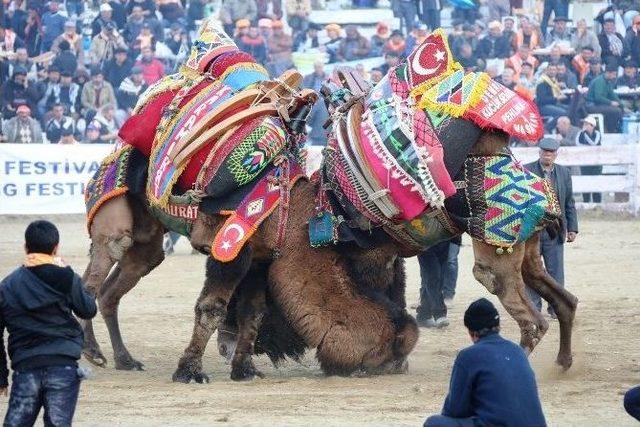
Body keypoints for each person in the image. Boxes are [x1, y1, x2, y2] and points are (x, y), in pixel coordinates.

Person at [0, 220, 96, 426]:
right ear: (56, 248)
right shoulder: (66, 277)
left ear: (26, 248)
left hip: (26, 366)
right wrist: (74, 279)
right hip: (63, 365)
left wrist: (1, 377)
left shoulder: (8, 285)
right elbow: (88, 310)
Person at [423, 298, 547, 427]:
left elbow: (455, 410)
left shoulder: (468, 356)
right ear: (498, 326)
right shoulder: (518, 351)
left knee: (434, 423)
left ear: (471, 332)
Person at [525, 138, 578, 317]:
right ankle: (533, 308)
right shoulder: (526, 171)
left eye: (551, 152)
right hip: (532, 231)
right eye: (544, 151)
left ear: (556, 154)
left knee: (556, 271)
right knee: (532, 271)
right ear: (539, 152)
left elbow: (569, 202)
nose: (547, 155)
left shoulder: (564, 173)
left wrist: (573, 228)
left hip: (555, 230)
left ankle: (556, 308)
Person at [416, 241, 451, 328]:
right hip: (425, 240)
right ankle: (439, 313)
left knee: (436, 278)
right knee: (432, 277)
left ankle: (423, 314)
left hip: (444, 239)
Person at [586, 63, 624, 132]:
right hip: (592, 106)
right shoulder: (599, 81)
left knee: (620, 109)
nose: (615, 76)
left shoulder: (608, 82)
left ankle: (614, 129)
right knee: (616, 111)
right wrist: (610, 103)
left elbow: (613, 95)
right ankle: (611, 130)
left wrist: (621, 104)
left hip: (599, 105)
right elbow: (598, 98)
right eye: (614, 74)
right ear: (608, 73)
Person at [576, 115, 602, 203]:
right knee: (585, 183)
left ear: (593, 126)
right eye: (585, 124)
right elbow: (578, 144)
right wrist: (584, 134)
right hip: (585, 162)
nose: (585, 125)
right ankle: (586, 202)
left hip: (596, 163)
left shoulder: (597, 133)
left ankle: (597, 204)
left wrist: (585, 134)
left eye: (587, 124)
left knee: (596, 183)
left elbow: (594, 144)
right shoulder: (580, 133)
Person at [302, 60, 329, 146]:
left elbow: (309, 120)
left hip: (321, 103)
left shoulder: (328, 78)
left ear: (322, 67)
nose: (318, 69)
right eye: (316, 67)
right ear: (314, 68)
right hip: (312, 101)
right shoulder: (308, 78)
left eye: (320, 67)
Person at [536, 64, 569, 129]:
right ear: (546, 71)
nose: (552, 71)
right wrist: (556, 98)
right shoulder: (542, 82)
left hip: (553, 103)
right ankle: (547, 128)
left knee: (570, 110)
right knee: (564, 113)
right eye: (550, 69)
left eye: (554, 70)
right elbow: (542, 100)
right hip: (543, 106)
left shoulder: (553, 82)